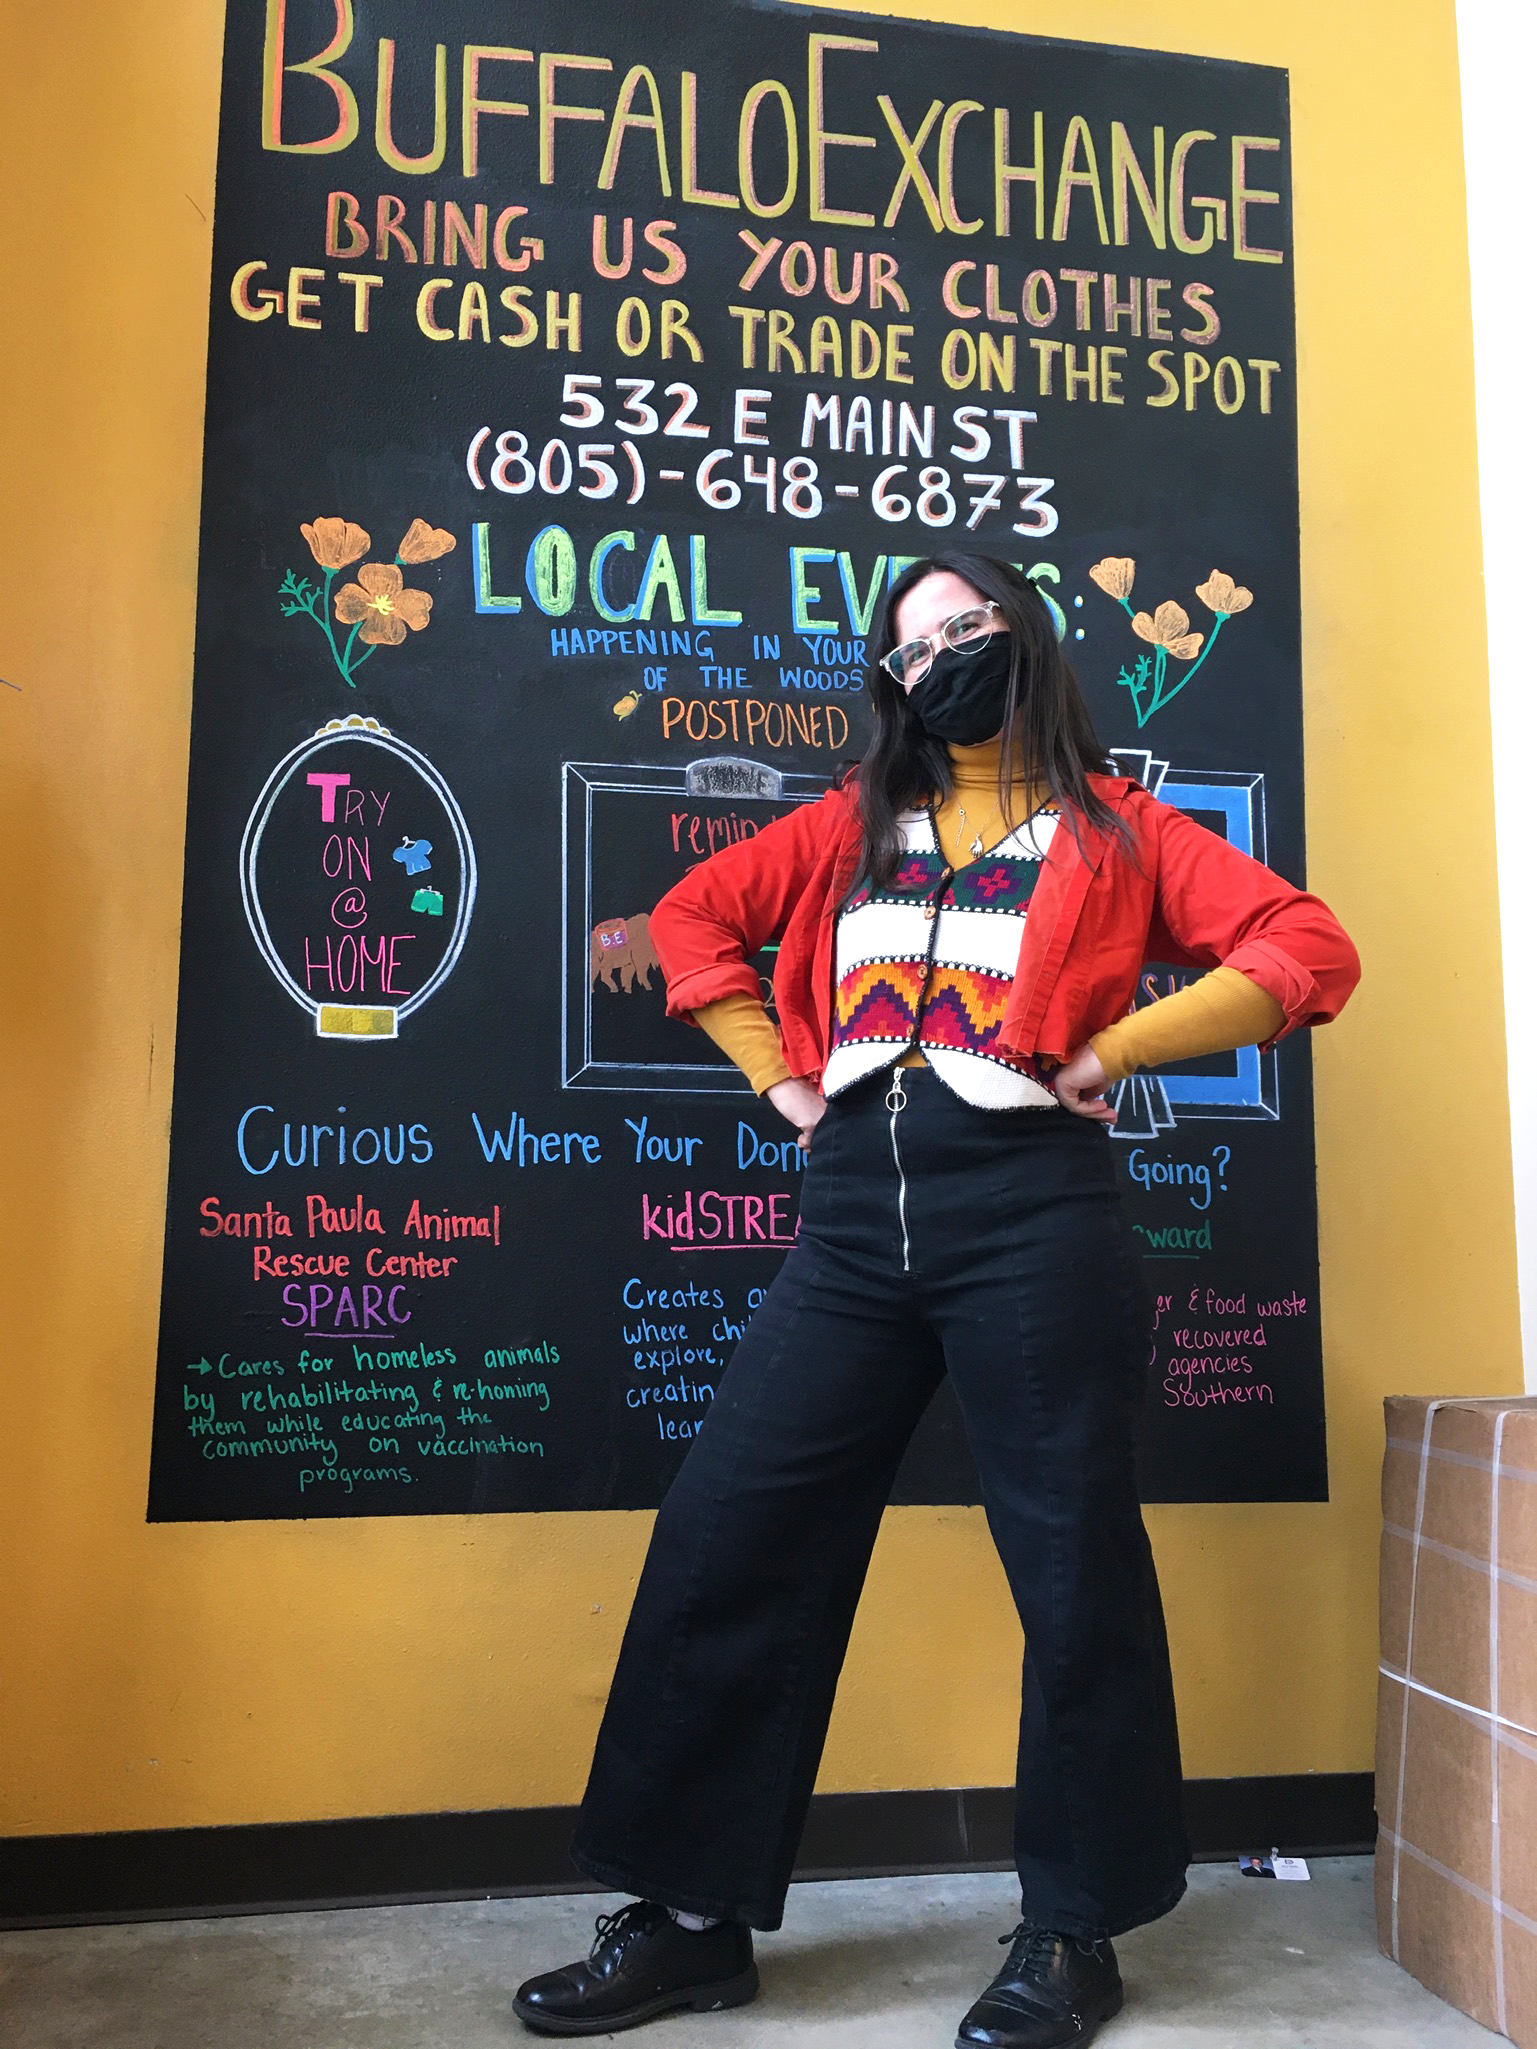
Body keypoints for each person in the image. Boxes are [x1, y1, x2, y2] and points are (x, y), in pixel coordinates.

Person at [514, 554, 1359, 2047]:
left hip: (1032, 1215)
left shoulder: (1124, 829)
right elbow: (691, 921)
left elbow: (1304, 947)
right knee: (731, 1527)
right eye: (909, 646)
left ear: (1020, 633)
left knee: (1070, 1566)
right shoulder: (849, 828)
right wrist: (777, 1080)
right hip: (849, 1220)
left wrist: (1114, 1051)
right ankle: (692, 1921)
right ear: (888, 683)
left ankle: (1070, 1928)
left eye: (964, 624)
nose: (941, 656)